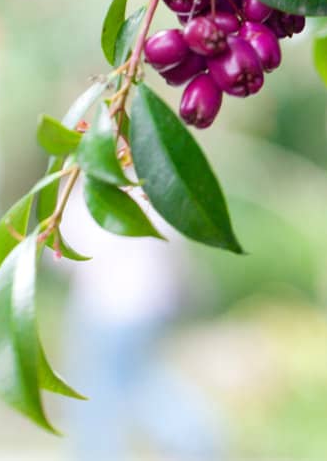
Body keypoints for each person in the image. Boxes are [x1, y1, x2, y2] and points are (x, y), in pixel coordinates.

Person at [61, 189, 222, 460]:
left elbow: (64, 253)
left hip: (103, 306)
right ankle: (196, 434)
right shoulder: (153, 192)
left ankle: (194, 434)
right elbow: (176, 251)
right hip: (148, 305)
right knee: (136, 380)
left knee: (102, 391)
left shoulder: (88, 196)